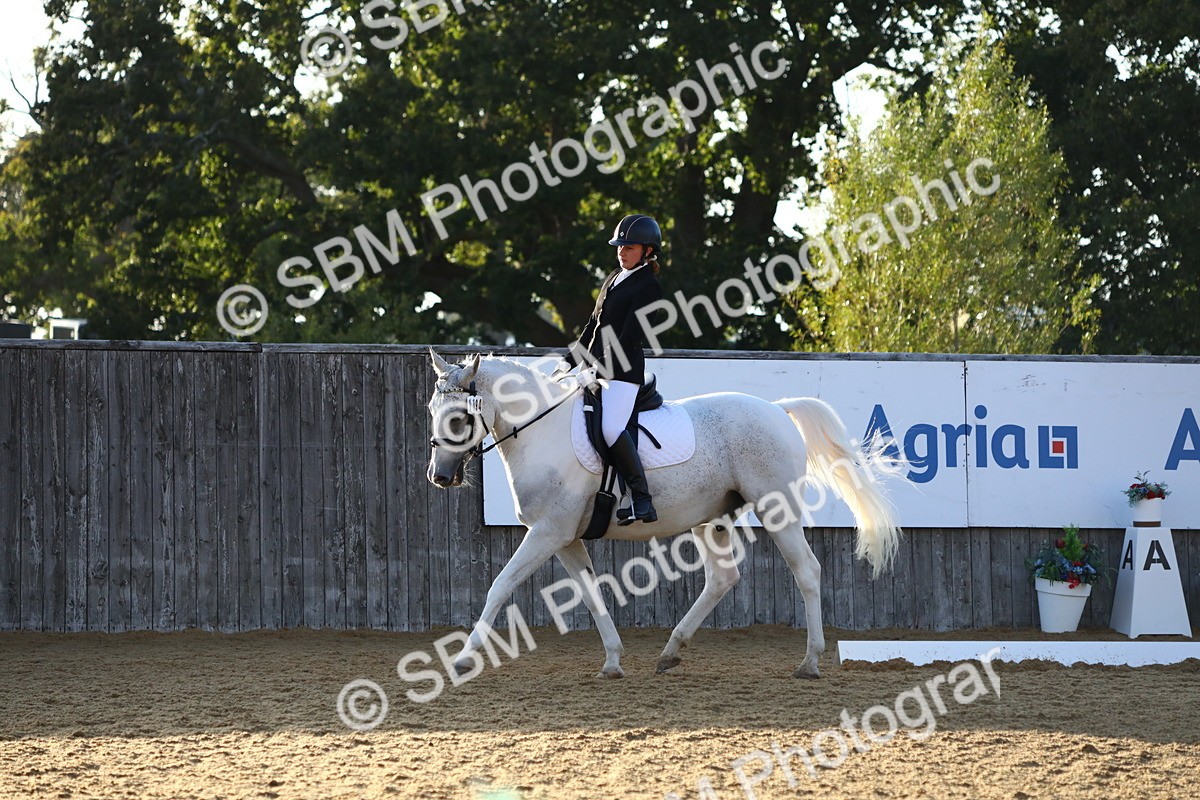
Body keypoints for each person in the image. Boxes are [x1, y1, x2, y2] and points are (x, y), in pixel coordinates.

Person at [554, 213, 666, 524]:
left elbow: (629, 336)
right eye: (620, 246)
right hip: (593, 369)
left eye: (630, 247)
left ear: (647, 251)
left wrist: (597, 369)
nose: (622, 251)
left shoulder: (649, 287)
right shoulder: (613, 278)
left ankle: (642, 499)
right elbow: (593, 326)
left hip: (623, 374)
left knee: (611, 428)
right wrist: (568, 362)